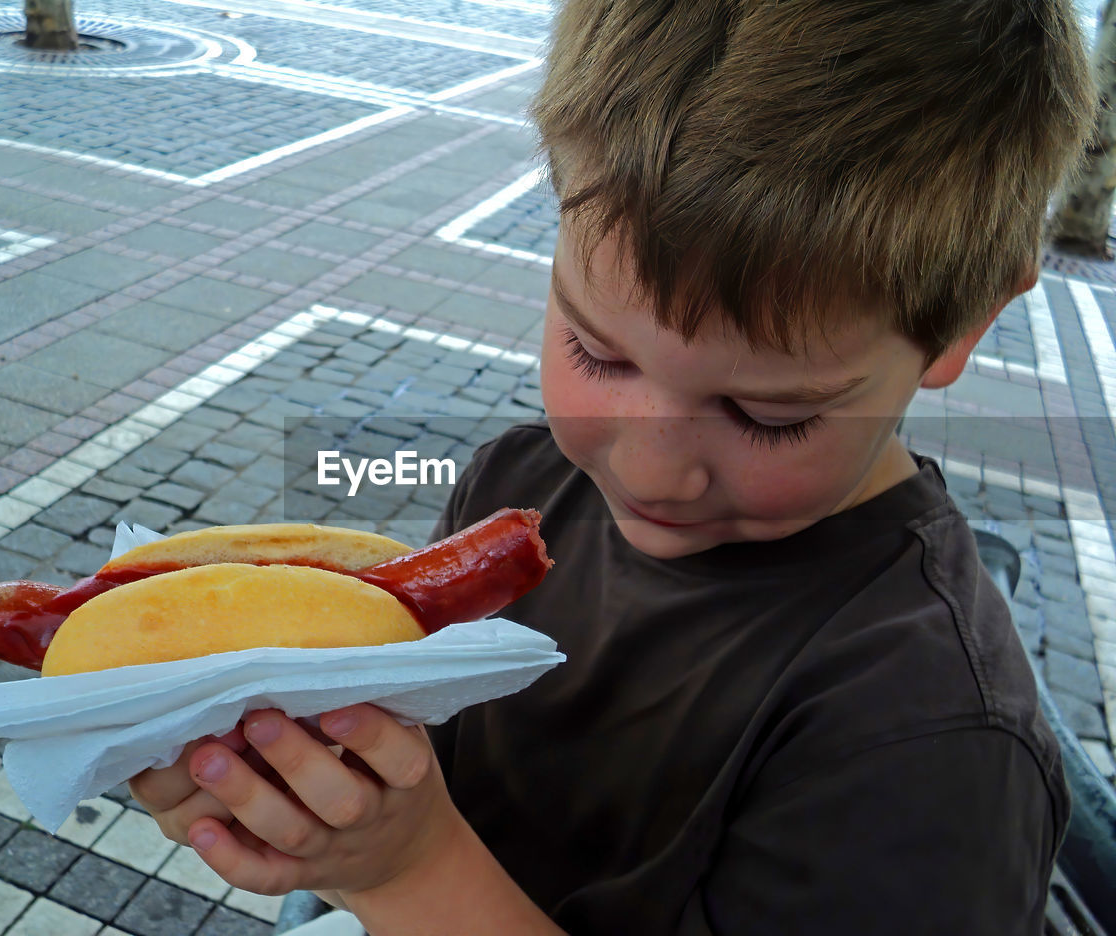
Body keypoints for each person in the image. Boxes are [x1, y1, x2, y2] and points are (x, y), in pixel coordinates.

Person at [128, 0, 1097, 931]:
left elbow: (413, 858)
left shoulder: (931, 748)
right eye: (596, 354)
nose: (647, 469)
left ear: (962, 326)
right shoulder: (517, 488)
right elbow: (424, 760)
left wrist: (404, 873)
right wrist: (315, 787)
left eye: (763, 413)